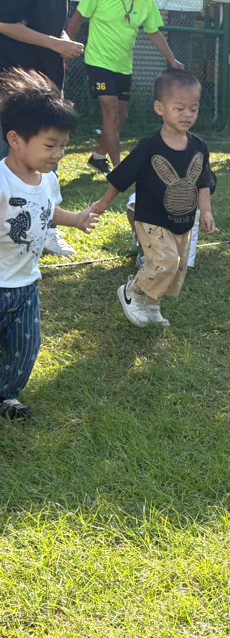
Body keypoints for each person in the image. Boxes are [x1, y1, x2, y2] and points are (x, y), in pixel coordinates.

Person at [0, 0, 105, 256]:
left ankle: (46, 228)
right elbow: (3, 22)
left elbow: (52, 21)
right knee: (11, 158)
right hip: (13, 84)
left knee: (50, 153)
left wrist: (63, 41)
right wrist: (54, 44)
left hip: (47, 81)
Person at [0, 68, 100, 419]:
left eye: (63, 146)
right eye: (49, 145)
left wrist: (75, 219)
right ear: (15, 139)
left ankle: (6, 396)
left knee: (26, 346)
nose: (58, 153)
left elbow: (46, 209)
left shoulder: (46, 180)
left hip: (26, 284)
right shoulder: (2, 182)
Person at [95, 69, 216, 327]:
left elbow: (203, 181)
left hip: (183, 220)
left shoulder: (199, 146)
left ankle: (152, 307)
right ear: (160, 108)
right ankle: (132, 291)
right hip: (152, 217)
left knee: (176, 266)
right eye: (179, 108)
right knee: (165, 262)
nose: (187, 114)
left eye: (193, 109)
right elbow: (123, 175)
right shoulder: (149, 145)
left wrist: (206, 211)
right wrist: (104, 202)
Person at [65, 0, 185, 174]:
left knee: (121, 116)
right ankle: (119, 169)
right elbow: (76, 19)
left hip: (123, 65)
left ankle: (98, 157)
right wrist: (64, 51)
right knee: (110, 111)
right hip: (98, 62)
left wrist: (172, 59)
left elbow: (153, 32)